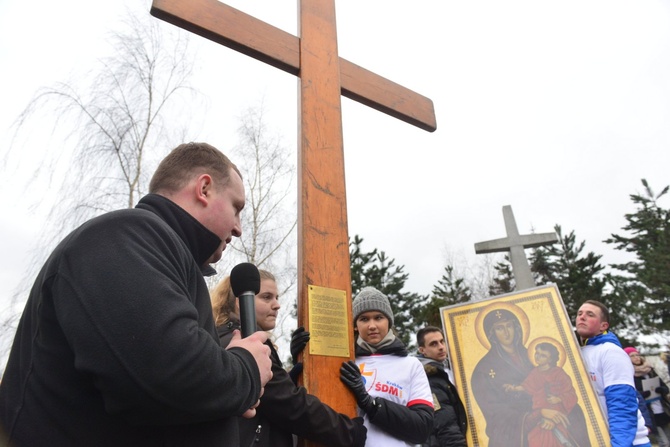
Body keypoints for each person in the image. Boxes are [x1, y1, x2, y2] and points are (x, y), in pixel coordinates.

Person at [0, 142, 273, 446]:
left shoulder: (160, 253)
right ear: (204, 188)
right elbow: (168, 375)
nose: (238, 229)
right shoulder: (124, 236)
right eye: (236, 208)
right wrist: (245, 369)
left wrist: (225, 385)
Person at [212, 270, 367, 447]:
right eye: (266, 297)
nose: (277, 304)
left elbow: (269, 397)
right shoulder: (245, 345)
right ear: (242, 302)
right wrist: (348, 431)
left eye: (276, 297)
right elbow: (289, 405)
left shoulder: (222, 338)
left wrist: (289, 377)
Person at [339, 286, 434, 446]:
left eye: (378, 317)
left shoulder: (411, 365)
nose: (372, 325)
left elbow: (422, 428)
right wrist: (300, 359)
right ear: (355, 325)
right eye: (364, 319)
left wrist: (372, 404)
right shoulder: (344, 364)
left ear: (389, 321)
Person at [575, 300, 651, 447]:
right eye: (579, 314)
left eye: (590, 314)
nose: (582, 317)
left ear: (603, 326)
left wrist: (620, 444)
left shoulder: (610, 351)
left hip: (627, 442)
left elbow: (622, 402)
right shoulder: (576, 353)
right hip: (594, 440)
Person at [503, 341, 589, 447]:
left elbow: (571, 394)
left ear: (551, 359)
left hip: (557, 413)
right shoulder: (535, 372)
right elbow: (527, 386)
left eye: (543, 355)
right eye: (537, 353)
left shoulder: (559, 373)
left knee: (554, 439)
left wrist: (559, 399)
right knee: (535, 437)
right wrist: (514, 388)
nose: (538, 357)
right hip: (540, 414)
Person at [470, 306, 534, 446]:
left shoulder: (534, 356)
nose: (506, 333)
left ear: (516, 328)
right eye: (500, 328)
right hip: (514, 428)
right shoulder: (483, 369)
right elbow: (493, 411)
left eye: (509, 326)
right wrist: (530, 418)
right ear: (491, 334)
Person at [416, 326, 467, 447]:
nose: (441, 347)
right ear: (422, 350)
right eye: (433, 344)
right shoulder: (428, 378)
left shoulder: (452, 370)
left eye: (442, 341)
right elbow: (444, 423)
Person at [624, 346, 670, 447]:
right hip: (649, 413)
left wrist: (661, 390)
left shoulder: (650, 371)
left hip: (662, 410)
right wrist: (642, 394)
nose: (636, 357)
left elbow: (665, 388)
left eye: (637, 355)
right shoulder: (629, 374)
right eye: (632, 356)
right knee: (664, 442)